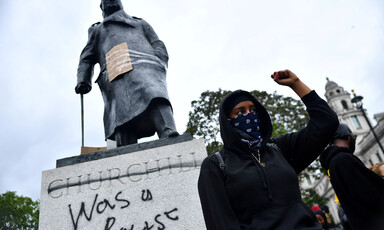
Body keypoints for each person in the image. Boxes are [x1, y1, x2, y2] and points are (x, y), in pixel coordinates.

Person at [198, 70, 339, 229]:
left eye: (253, 110)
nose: (249, 115)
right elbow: (221, 224)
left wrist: (296, 84)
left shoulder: (279, 149)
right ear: (227, 121)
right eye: (240, 112)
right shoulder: (216, 165)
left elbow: (327, 123)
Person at [75, 0, 178, 147]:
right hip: (115, 70)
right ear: (102, 7)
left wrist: (159, 58)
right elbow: (86, 57)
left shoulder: (140, 23)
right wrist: (83, 80)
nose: (110, 1)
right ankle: (121, 147)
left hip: (145, 64)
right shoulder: (97, 30)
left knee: (154, 93)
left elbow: (157, 42)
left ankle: (167, 130)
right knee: (119, 115)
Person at [320, 123, 384, 230]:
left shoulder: (334, 163)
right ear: (347, 137)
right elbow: (370, 192)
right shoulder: (344, 159)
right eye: (353, 137)